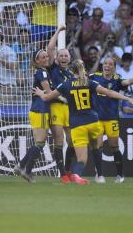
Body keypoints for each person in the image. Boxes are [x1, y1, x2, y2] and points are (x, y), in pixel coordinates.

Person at [33, 59, 133, 185]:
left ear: (71, 70)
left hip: (76, 125)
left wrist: (41, 93)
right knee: (96, 147)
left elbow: (46, 97)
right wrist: (127, 98)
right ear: (82, 70)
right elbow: (109, 93)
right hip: (93, 121)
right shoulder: (90, 82)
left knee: (82, 158)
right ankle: (99, 176)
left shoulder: (66, 84)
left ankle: (76, 173)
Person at [90, 57, 133, 183]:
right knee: (98, 146)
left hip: (112, 118)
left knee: (114, 146)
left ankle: (120, 175)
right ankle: (100, 175)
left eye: (110, 64)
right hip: (97, 118)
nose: (107, 66)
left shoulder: (117, 79)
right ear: (102, 65)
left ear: (114, 67)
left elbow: (126, 82)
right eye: (105, 63)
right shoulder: (94, 77)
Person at [14, 48, 52, 183]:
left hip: (38, 110)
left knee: (39, 143)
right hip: (40, 110)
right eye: (43, 57)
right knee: (40, 142)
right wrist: (63, 96)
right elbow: (49, 91)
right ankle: (27, 171)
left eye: (47, 56)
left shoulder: (42, 71)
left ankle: (21, 166)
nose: (46, 58)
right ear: (36, 61)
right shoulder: (41, 72)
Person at [46, 27, 75, 184]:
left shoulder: (71, 75)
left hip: (69, 109)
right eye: (61, 55)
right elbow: (50, 48)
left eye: (66, 55)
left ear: (69, 59)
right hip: (56, 107)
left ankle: (68, 170)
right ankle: (63, 174)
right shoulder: (53, 69)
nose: (63, 57)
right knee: (59, 140)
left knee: (72, 140)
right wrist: (58, 31)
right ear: (57, 58)